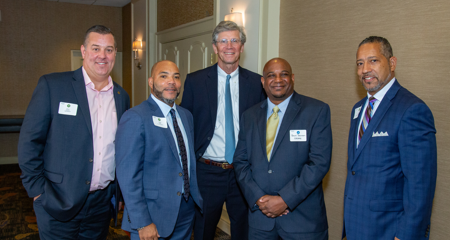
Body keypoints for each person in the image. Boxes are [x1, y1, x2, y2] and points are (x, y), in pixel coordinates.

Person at [18, 25, 130, 239]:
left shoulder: (121, 96)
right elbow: (29, 142)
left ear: (115, 53)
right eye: (96, 48)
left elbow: (121, 149)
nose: (102, 56)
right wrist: (37, 191)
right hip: (58, 200)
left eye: (109, 50)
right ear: (83, 51)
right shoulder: (53, 86)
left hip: (101, 204)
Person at [343, 36, 437, 240]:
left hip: (389, 230)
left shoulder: (412, 110)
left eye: (373, 61)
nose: (365, 69)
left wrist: (406, 235)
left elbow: (420, 185)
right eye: (360, 63)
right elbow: (355, 171)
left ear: (392, 63)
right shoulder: (358, 110)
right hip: (356, 225)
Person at [180, 20, 266, 240]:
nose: (229, 46)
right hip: (207, 171)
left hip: (243, 172)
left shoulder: (257, 83)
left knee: (244, 230)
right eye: (224, 41)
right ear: (215, 47)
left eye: (235, 40)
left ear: (242, 47)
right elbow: (185, 126)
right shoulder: (196, 81)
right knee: (203, 230)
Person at [233, 58, 332, 240]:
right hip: (260, 221)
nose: (278, 80)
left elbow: (319, 163)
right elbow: (240, 161)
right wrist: (259, 198)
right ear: (263, 82)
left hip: (303, 222)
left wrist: (285, 199)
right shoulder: (249, 116)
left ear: (292, 78)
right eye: (271, 75)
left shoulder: (316, 111)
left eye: (283, 74)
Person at [116, 60, 203, 240]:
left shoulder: (186, 116)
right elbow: (127, 176)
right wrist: (142, 222)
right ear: (150, 82)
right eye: (163, 76)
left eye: (176, 77)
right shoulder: (135, 117)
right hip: (152, 215)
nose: (171, 82)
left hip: (185, 211)